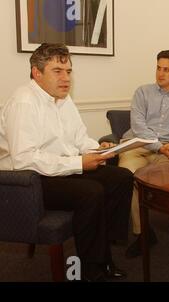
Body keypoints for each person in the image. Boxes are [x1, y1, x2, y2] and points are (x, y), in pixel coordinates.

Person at [0, 43, 133, 281]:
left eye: (68, 71)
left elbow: (78, 138)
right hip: (30, 180)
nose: (66, 78)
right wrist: (79, 164)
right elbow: (24, 159)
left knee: (122, 177)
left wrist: (97, 148)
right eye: (57, 71)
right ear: (36, 73)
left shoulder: (63, 98)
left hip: (60, 168)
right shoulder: (24, 102)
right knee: (91, 192)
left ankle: (103, 248)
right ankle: (92, 268)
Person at [118, 50, 169, 258]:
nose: (160, 73)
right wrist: (159, 146)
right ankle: (143, 233)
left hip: (167, 149)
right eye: (158, 68)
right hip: (137, 146)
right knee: (128, 176)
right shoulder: (142, 92)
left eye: (166, 69)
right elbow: (138, 126)